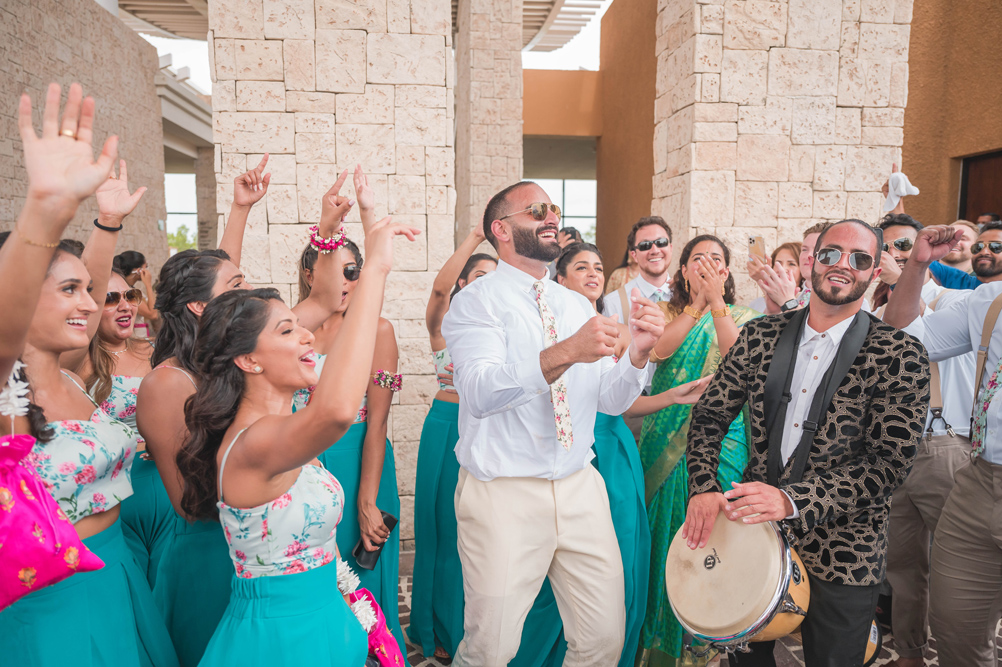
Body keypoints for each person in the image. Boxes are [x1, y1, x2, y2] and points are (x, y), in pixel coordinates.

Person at [176, 213, 419, 666]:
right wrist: (376, 273)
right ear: (248, 361)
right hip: (281, 639)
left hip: (326, 619)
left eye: (298, 324)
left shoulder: (287, 425)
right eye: (287, 331)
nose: (308, 335)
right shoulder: (255, 443)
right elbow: (338, 410)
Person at [685, 219, 930, 667]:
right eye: (832, 253)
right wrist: (702, 486)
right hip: (753, 534)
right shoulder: (760, 335)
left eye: (860, 259)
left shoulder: (901, 354)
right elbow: (709, 415)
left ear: (875, 272)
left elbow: (888, 465)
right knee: (747, 663)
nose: (843, 265)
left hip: (847, 548)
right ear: (811, 260)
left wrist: (791, 499)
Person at [135, 162, 352, 666]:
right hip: (218, 551)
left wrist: (324, 230)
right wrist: (263, 482)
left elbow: (322, 299)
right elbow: (190, 503)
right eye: (236, 285)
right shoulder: (170, 383)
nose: (246, 291)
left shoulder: (255, 358)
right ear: (199, 309)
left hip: (270, 545)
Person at [441, 181, 665, 666]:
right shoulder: (477, 302)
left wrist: (640, 356)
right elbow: (480, 392)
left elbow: (608, 399)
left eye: (554, 209)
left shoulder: (573, 306)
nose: (550, 217)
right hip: (504, 492)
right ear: (500, 229)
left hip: (580, 485)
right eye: (536, 210)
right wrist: (569, 351)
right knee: (491, 646)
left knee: (603, 638)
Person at [0, 82, 177, 666]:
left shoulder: (73, 372)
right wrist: (44, 213)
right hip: (52, 601)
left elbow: (94, 290)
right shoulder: (7, 392)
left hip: (119, 569)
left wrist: (104, 224)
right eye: (68, 290)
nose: (89, 304)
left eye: (88, 290)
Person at [637, 234, 761, 666]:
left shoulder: (746, 317)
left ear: (726, 272)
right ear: (682, 270)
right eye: (696, 259)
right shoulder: (664, 313)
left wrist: (718, 305)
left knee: (711, 542)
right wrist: (696, 307)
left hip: (723, 445)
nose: (706, 265)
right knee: (662, 540)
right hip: (664, 443)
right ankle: (656, 643)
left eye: (716, 259)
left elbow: (737, 358)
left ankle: (704, 644)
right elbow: (657, 351)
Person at [884, 222, 1002, 667]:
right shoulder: (989, 303)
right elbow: (902, 339)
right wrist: (916, 263)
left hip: (947, 447)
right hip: (980, 480)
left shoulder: (957, 294)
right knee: (957, 636)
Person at [292, 236, 407, 653]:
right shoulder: (292, 332)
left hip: (361, 461)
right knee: (314, 583)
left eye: (353, 272)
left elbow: (377, 423)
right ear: (311, 274)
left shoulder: (378, 331)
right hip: (302, 465)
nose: (346, 282)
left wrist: (367, 500)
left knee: (363, 586)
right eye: (336, 271)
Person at [409, 222, 497, 660]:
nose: (490, 283)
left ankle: (475, 630)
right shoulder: (448, 322)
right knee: (442, 529)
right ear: (465, 282)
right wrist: (474, 240)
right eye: (480, 276)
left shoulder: (501, 325)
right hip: (448, 424)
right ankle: (436, 630)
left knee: (476, 533)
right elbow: (440, 292)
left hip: (489, 429)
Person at [73, 267, 164, 582]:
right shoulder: (79, 362)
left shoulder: (152, 351)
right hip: (115, 492)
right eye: (111, 299)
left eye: (131, 295)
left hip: (164, 480)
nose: (126, 305)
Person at [602, 216, 673, 324]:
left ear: (670, 248)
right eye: (645, 245)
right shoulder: (613, 303)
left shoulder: (689, 296)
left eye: (661, 242)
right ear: (634, 255)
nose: (654, 250)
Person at [748, 241, 803, 313]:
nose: (782, 269)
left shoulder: (810, 301)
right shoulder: (757, 304)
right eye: (778, 263)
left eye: (791, 264)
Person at [115, 250, 160, 337]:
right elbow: (153, 315)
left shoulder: (130, 289)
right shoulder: (128, 292)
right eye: (145, 267)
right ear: (138, 270)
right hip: (136, 339)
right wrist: (148, 285)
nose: (147, 270)